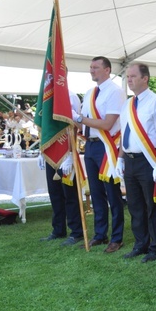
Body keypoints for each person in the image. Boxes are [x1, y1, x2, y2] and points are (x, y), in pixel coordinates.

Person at [117, 63, 156, 263]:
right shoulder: (127, 105)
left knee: (152, 205)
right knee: (135, 205)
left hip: (148, 160)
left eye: (133, 76)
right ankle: (141, 243)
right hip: (130, 161)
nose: (129, 79)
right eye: (128, 76)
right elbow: (125, 134)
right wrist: (120, 158)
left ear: (145, 78)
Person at [73, 56, 126, 253]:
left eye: (96, 67)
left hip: (108, 145)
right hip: (91, 145)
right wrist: (72, 119)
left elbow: (107, 124)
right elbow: (85, 123)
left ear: (107, 70)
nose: (91, 70)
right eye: (90, 67)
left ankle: (117, 237)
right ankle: (100, 234)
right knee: (96, 193)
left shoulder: (115, 92)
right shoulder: (89, 93)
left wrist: (80, 118)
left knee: (112, 193)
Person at [39, 90, 84, 247]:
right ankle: (58, 229)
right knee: (55, 193)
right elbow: (44, 124)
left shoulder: (70, 96)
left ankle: (76, 231)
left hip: (66, 151)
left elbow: (75, 126)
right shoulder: (47, 96)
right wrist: (42, 150)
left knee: (69, 195)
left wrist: (71, 153)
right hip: (51, 150)